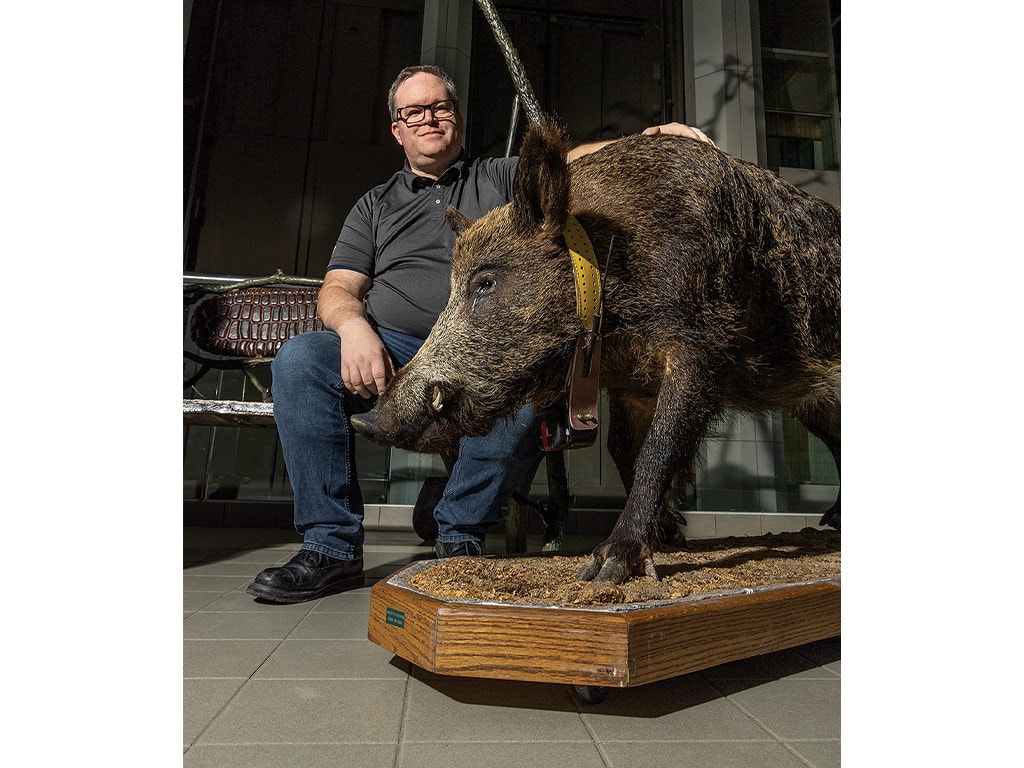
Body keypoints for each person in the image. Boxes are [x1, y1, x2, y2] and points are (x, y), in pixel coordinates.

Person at [247, 64, 715, 603]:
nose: (429, 118)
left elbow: (569, 163)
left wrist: (645, 141)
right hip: (395, 347)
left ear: (458, 120)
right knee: (301, 359)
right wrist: (353, 328)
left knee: (526, 380)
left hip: (487, 346)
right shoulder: (374, 206)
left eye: (440, 107)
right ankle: (329, 545)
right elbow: (336, 289)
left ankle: (458, 535)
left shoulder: (497, 180)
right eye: (414, 112)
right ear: (397, 129)